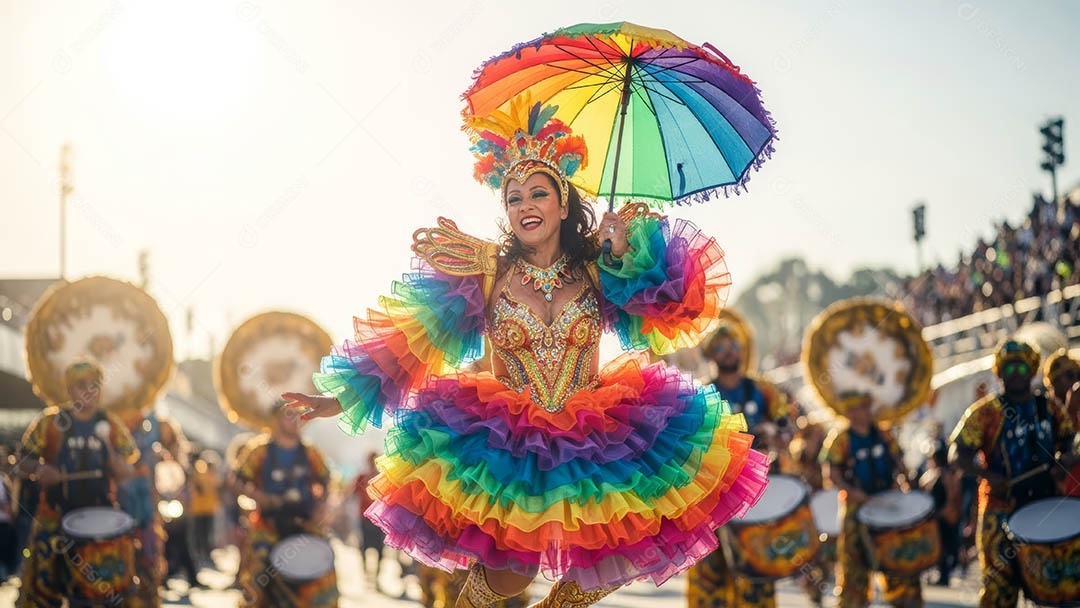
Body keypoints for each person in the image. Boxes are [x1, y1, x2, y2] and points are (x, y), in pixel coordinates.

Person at [284, 97, 769, 608]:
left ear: (564, 203)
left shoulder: (600, 268)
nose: (525, 206)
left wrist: (628, 253)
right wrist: (341, 397)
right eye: (514, 198)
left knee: (608, 561)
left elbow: (678, 308)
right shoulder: (485, 272)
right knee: (511, 576)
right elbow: (412, 339)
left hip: (593, 439)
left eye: (539, 193)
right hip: (509, 444)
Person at [950, 339, 1074, 608]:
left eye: (1021, 368)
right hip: (999, 511)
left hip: (1045, 507)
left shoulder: (1050, 407)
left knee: (1052, 588)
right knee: (999, 591)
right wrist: (986, 474)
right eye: (1008, 368)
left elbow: (1069, 442)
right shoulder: (984, 412)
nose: (1015, 374)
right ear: (999, 373)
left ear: (1031, 371)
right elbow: (957, 454)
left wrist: (1064, 460)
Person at [15, 359, 139, 608]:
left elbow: (127, 471)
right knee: (43, 591)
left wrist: (110, 451)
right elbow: (20, 462)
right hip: (55, 516)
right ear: (69, 389)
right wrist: (39, 469)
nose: (89, 391)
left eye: (95, 385)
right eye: (82, 385)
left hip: (101, 519)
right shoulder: (50, 422)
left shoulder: (111, 424)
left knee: (106, 593)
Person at [687, 323, 793, 608]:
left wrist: (776, 434)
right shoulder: (701, 395)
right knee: (710, 576)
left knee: (756, 572)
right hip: (712, 496)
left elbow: (786, 425)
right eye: (721, 348)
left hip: (756, 496)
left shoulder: (763, 390)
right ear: (711, 354)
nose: (729, 352)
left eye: (733, 346)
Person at [820, 393, 922, 608]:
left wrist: (906, 485)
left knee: (898, 562)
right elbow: (831, 474)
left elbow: (900, 464)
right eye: (862, 407)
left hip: (889, 507)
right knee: (854, 565)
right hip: (856, 511)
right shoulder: (841, 438)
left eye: (868, 406)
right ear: (850, 412)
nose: (867, 411)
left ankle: (905, 601)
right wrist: (853, 493)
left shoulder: (885, 434)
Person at [234, 402, 338, 607]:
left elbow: (326, 481)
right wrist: (259, 496)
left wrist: (322, 508)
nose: (296, 420)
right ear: (275, 419)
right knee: (258, 574)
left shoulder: (311, 452)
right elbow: (238, 481)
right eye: (289, 415)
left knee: (324, 575)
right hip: (268, 525)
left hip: (305, 524)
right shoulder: (259, 450)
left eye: (299, 415)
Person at [918, 444, 961, 587]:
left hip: (943, 516)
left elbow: (952, 495)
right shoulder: (932, 474)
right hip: (935, 516)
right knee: (937, 545)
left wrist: (945, 512)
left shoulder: (946, 475)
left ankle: (944, 575)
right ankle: (938, 574)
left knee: (944, 546)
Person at [354, 452, 387, 592]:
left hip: (379, 520)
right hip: (364, 518)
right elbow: (353, 494)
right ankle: (366, 575)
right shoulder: (361, 477)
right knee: (364, 547)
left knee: (380, 550)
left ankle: (376, 578)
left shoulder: (383, 477)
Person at [189, 451, 223, 568]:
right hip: (198, 509)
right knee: (200, 533)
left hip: (209, 509)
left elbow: (217, 487)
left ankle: (206, 554)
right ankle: (200, 555)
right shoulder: (199, 473)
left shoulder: (212, 475)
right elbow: (197, 486)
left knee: (207, 533)